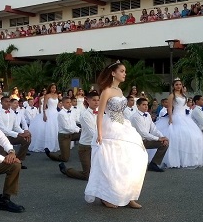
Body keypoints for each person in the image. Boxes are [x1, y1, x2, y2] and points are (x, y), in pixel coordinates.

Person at [84, 61, 147, 209]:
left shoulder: (119, 91)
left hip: (123, 126)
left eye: (125, 71)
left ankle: (129, 195)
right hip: (110, 127)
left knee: (134, 159)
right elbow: (100, 114)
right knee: (112, 163)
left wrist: (130, 128)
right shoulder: (106, 91)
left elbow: (123, 112)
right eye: (122, 71)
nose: (125, 74)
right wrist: (99, 133)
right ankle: (108, 195)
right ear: (113, 73)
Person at [163, 79, 203, 169]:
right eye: (176, 85)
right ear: (173, 86)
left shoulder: (184, 95)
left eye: (180, 84)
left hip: (185, 118)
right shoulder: (172, 95)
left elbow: (185, 106)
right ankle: (175, 160)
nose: (178, 86)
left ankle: (190, 159)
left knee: (195, 136)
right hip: (176, 116)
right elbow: (170, 107)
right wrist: (170, 118)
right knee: (177, 137)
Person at [60, 91, 99, 180]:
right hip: (85, 147)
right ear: (88, 101)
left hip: (96, 146)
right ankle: (67, 170)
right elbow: (93, 133)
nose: (96, 102)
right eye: (94, 100)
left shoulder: (99, 113)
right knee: (87, 176)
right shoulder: (85, 115)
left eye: (98, 100)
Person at [130, 98, 169, 172]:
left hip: (146, 140)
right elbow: (143, 133)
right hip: (137, 141)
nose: (146, 106)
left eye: (147, 105)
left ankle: (153, 164)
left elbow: (153, 129)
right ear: (138, 106)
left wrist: (162, 137)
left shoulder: (147, 114)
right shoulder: (135, 117)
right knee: (160, 142)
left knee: (165, 143)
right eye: (143, 105)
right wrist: (158, 139)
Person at [0, 96, 30, 167]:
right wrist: (18, 134)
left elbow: (16, 126)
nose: (8, 103)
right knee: (3, 160)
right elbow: (2, 129)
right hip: (0, 138)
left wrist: (24, 133)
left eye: (9, 101)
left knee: (27, 139)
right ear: (1, 103)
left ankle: (19, 160)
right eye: (5, 101)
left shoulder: (12, 113)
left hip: (11, 136)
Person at [45, 97, 80, 162]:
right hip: (64, 136)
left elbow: (74, 124)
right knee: (65, 158)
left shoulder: (72, 112)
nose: (69, 104)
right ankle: (50, 154)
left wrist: (79, 129)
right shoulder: (61, 114)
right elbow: (67, 128)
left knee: (85, 135)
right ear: (63, 104)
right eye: (67, 102)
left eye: (70, 102)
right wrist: (78, 130)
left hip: (72, 134)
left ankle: (86, 153)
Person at [28, 83, 60, 152]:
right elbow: (44, 106)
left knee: (56, 128)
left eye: (55, 88)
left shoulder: (57, 95)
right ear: (50, 88)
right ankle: (47, 145)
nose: (54, 89)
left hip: (55, 113)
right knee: (49, 128)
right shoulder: (47, 95)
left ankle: (56, 144)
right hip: (49, 112)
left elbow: (57, 105)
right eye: (52, 88)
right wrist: (44, 114)